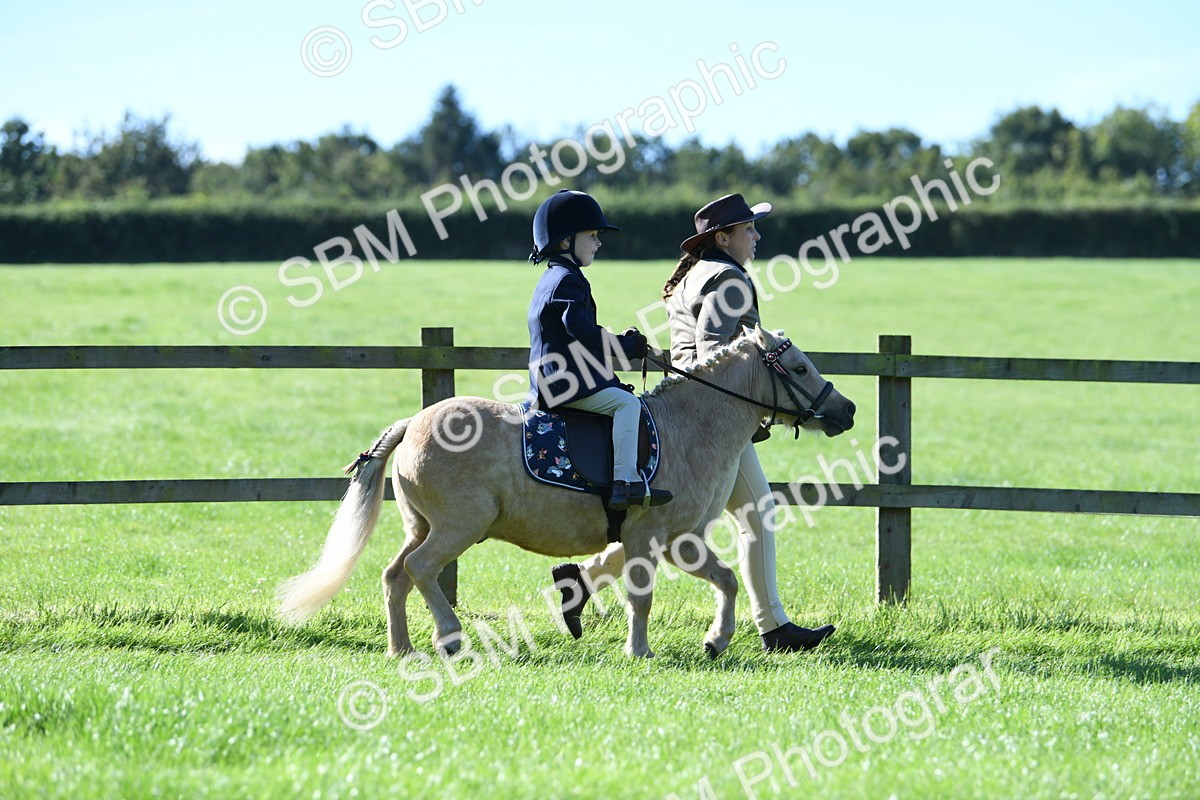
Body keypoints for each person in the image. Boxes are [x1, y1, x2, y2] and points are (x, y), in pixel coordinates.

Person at [551, 193, 836, 652]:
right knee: (757, 515)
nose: (756, 236)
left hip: (686, 412)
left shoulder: (696, 274)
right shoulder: (728, 279)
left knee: (666, 523)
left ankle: (582, 582)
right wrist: (735, 414)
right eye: (749, 229)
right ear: (723, 238)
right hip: (710, 419)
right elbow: (713, 353)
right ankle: (774, 627)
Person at [527, 189, 673, 511]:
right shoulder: (567, 280)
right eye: (592, 235)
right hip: (564, 383)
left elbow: (580, 334)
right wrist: (625, 346)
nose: (598, 242)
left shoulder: (553, 277)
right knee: (626, 405)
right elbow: (581, 332)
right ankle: (626, 483)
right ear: (566, 241)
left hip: (553, 379)